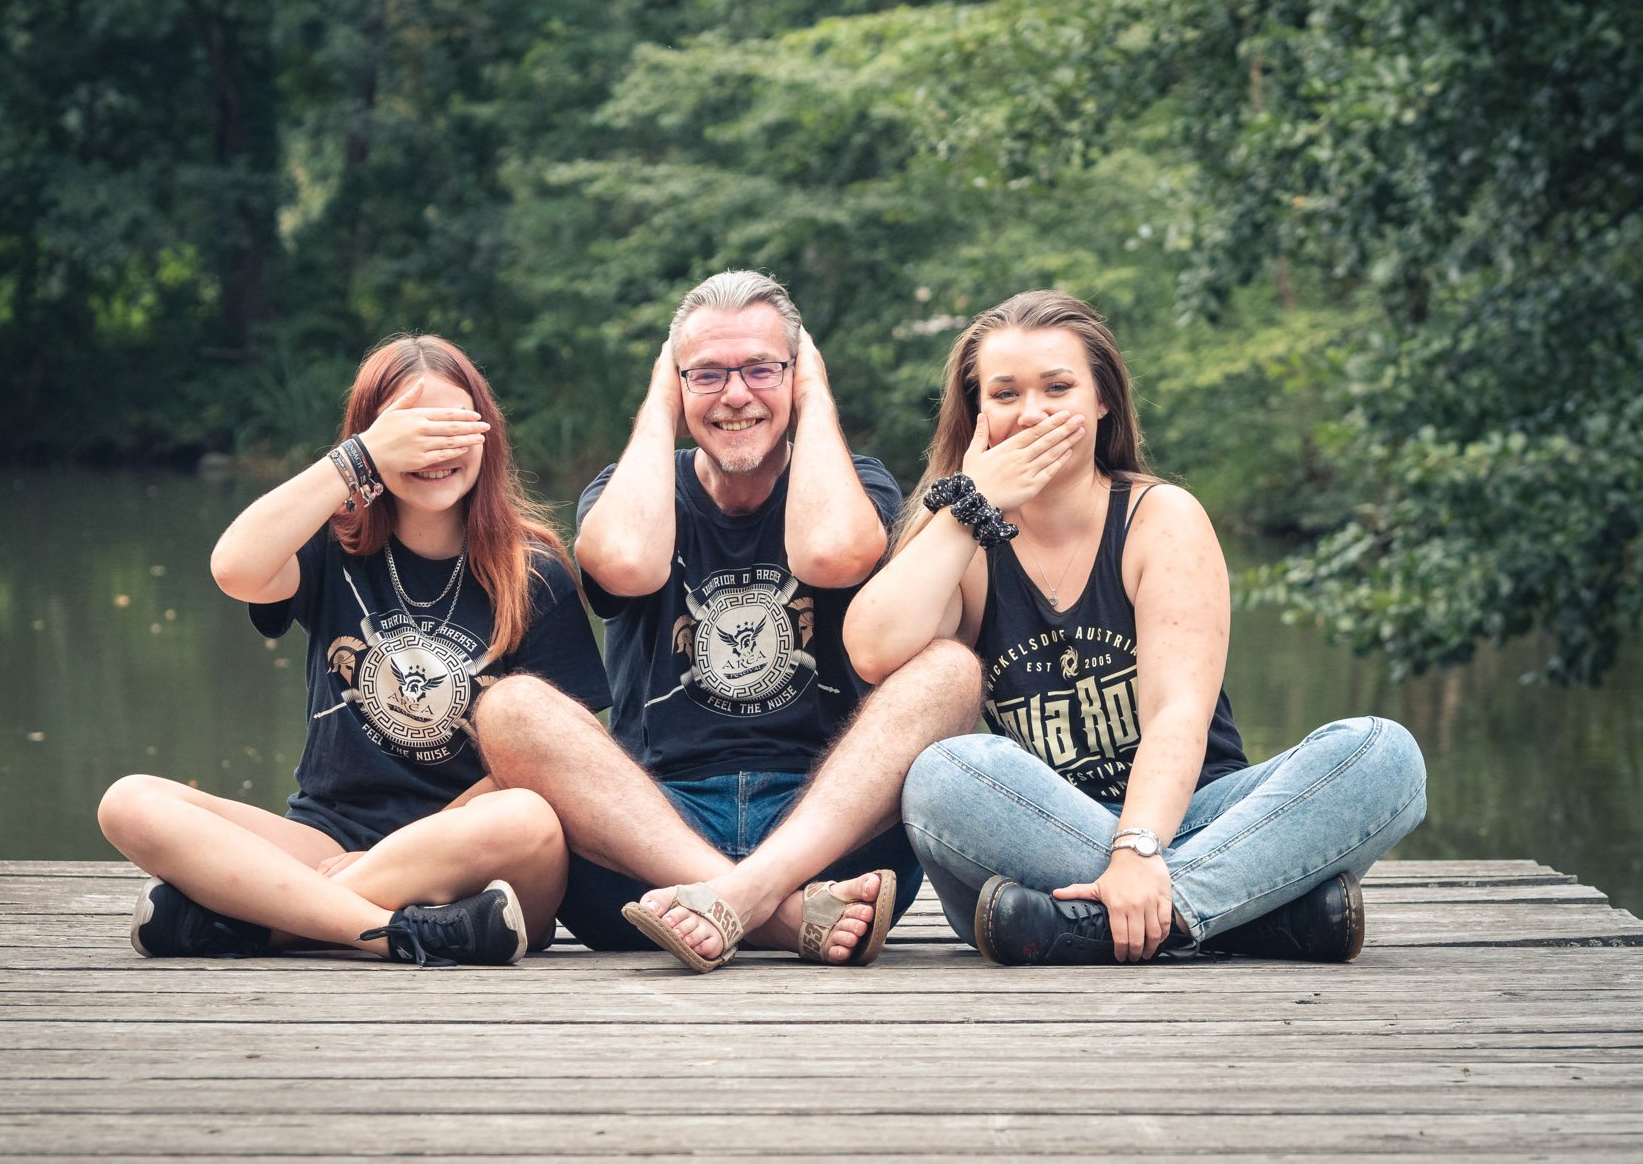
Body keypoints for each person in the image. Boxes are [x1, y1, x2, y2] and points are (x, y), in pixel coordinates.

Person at [846, 290, 1427, 964]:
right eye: (1005, 394)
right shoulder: (966, 541)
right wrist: (970, 503)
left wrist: (1139, 851)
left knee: (1384, 755)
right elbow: (872, 649)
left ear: (1102, 402)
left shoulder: (1160, 519)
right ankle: (1249, 912)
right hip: (1032, 832)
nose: (1031, 411)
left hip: (1198, 820)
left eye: (1057, 387)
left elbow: (1178, 712)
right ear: (978, 414)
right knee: (944, 772)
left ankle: (1106, 923)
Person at [471, 271, 982, 972]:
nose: (736, 395)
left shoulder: (858, 485)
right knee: (511, 706)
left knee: (950, 669)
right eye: (706, 375)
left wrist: (815, 399)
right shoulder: (626, 494)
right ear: (675, 385)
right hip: (647, 840)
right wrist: (659, 400)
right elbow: (624, 565)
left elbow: (832, 554)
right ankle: (774, 914)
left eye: (761, 370)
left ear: (799, 378)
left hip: (827, 835)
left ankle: (738, 897)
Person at [98, 335, 611, 967]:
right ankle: (398, 931)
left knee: (527, 818)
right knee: (130, 801)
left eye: (451, 425)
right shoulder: (330, 549)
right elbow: (234, 568)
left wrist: (396, 857)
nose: (433, 448)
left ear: (486, 434)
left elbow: (559, 762)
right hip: (326, 838)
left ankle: (263, 922)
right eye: (407, 430)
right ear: (367, 443)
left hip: (474, 855)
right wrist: (358, 460)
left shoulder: (531, 572)